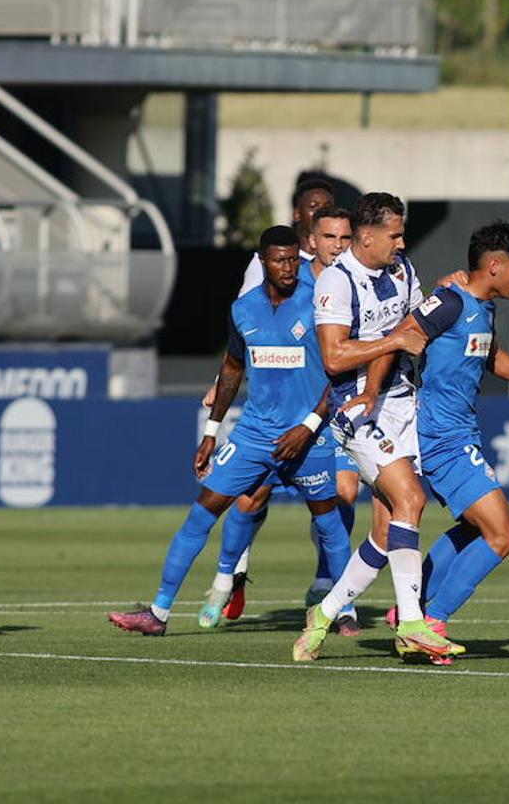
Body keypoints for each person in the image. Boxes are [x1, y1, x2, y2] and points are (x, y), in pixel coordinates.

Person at [107, 226, 352, 636]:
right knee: (199, 516)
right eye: (280, 260)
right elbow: (232, 370)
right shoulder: (244, 310)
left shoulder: (318, 304)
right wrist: (211, 432)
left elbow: (339, 369)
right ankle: (158, 613)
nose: (290, 267)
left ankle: (344, 615)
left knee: (330, 524)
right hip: (253, 435)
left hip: (310, 437)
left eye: (294, 259)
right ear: (263, 262)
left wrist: (309, 426)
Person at [374, 220, 509, 658]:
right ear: (494, 265)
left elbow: (490, 356)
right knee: (503, 534)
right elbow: (397, 340)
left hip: (459, 435)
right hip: (440, 437)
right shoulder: (450, 302)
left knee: (477, 527)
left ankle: (409, 611)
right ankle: (431, 620)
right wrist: (371, 394)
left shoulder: (481, 307)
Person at [292, 192, 461, 663]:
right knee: (411, 499)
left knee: (388, 530)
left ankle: (322, 616)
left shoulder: (402, 270)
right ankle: (411, 623)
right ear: (367, 236)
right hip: (356, 411)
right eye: (396, 234)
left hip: (403, 402)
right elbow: (333, 357)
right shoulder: (337, 282)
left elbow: (411, 329)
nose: (403, 241)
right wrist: (382, 359)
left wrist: (453, 294)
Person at [204, 207, 365, 636]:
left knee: (343, 496)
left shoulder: (364, 276)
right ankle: (230, 576)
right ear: (309, 236)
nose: (336, 244)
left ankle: (332, 592)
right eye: (327, 235)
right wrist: (221, 385)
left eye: (344, 237)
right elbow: (246, 338)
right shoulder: (284, 277)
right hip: (287, 409)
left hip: (341, 408)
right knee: (250, 497)